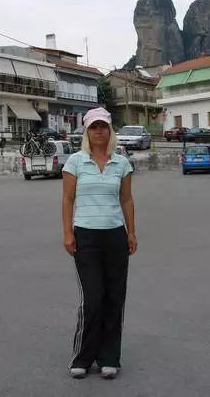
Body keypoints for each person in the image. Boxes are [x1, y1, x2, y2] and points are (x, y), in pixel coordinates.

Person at [62, 107, 137, 380]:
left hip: (115, 236)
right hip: (86, 237)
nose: (98, 132)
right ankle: (83, 356)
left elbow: (126, 199)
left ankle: (109, 358)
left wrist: (131, 232)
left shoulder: (122, 163)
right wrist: (68, 233)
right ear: (86, 131)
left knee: (114, 298)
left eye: (103, 127)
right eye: (93, 127)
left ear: (110, 130)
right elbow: (67, 200)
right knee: (92, 299)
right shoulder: (75, 162)